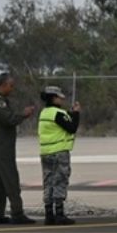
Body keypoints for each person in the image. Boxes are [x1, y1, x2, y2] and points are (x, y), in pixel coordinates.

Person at [0, 73, 36, 225]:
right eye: (10, 85)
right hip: (2, 146)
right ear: (3, 85)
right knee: (11, 179)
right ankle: (17, 212)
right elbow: (9, 120)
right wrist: (24, 115)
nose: (12, 89)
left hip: (0, 145)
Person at [38, 86, 81, 225]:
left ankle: (49, 213)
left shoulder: (44, 113)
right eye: (60, 96)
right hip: (59, 152)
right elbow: (71, 128)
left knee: (48, 181)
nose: (62, 99)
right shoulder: (57, 113)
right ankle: (59, 213)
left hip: (45, 152)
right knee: (60, 181)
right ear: (54, 98)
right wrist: (75, 114)